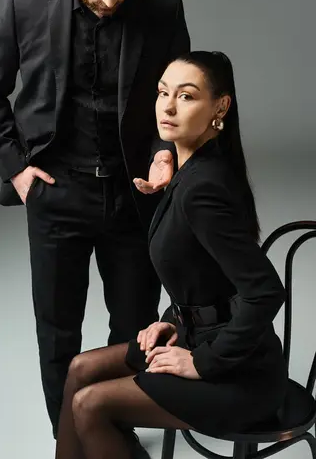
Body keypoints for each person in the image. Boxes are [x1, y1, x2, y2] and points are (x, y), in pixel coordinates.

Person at [0, 0, 190, 452]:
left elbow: (178, 102)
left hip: (135, 197)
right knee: (58, 335)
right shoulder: (24, 3)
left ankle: (111, 433)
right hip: (56, 192)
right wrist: (17, 170)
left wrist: (167, 152)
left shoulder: (164, 10)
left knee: (134, 329)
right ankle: (72, 442)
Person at [54, 51, 288, 459]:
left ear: (221, 106)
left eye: (186, 96)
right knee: (80, 369)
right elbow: (209, 281)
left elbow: (264, 292)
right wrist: (172, 321)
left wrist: (202, 364)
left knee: (89, 403)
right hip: (196, 336)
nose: (167, 105)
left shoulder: (203, 188)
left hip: (239, 375)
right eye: (163, 92)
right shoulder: (190, 171)